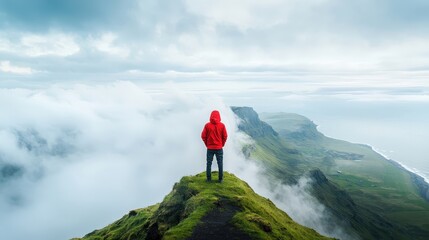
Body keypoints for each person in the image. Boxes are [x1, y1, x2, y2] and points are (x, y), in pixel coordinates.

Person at [201, 110, 228, 182]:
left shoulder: (207, 125)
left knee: (209, 163)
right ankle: (220, 179)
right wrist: (222, 144)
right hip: (219, 148)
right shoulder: (222, 125)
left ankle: (209, 179)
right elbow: (225, 136)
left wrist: (207, 144)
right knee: (220, 163)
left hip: (210, 148)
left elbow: (203, 136)